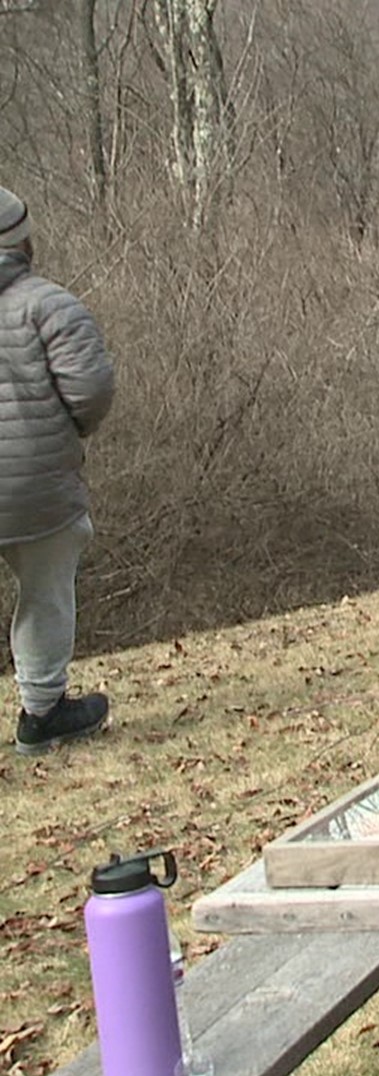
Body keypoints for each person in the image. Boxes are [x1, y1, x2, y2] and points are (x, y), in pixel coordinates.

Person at [0, 186, 114, 756]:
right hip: (35, 483)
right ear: (21, 242)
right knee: (45, 591)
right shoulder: (51, 305)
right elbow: (90, 391)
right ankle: (42, 713)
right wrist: (68, 434)